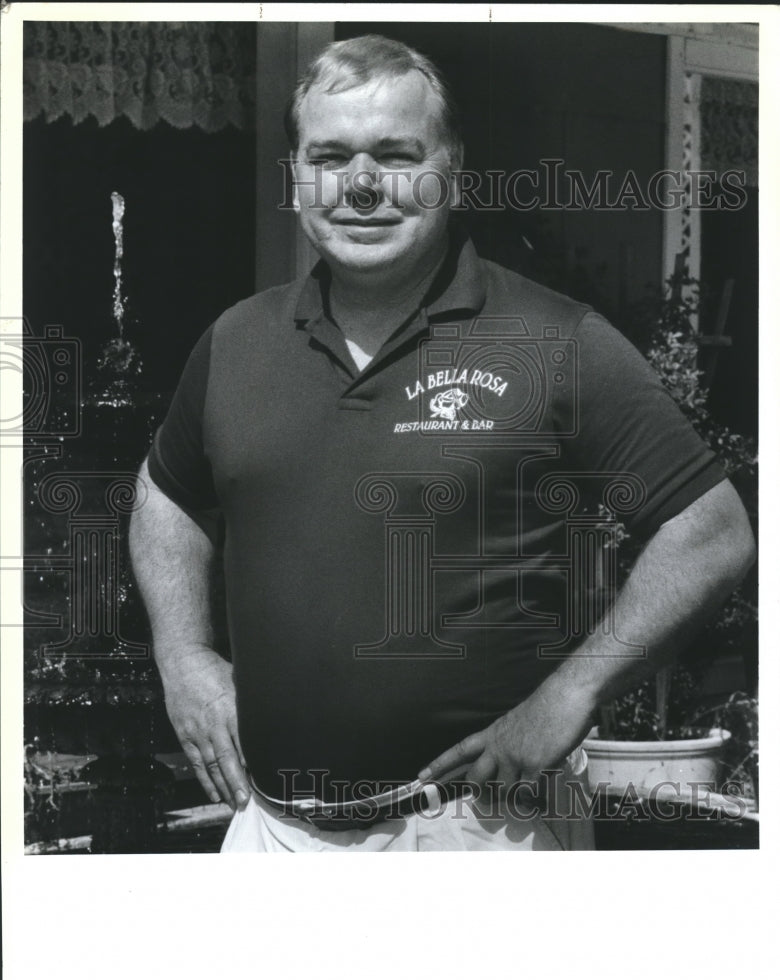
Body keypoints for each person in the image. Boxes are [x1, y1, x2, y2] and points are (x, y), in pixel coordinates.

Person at [129, 35, 755, 852]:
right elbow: (164, 496)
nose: (360, 186)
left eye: (395, 154)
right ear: (295, 174)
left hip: (478, 834)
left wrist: (573, 694)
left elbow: (710, 531)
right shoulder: (236, 341)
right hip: (274, 837)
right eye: (329, 156)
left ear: (451, 167)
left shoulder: (554, 340)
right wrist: (182, 653)